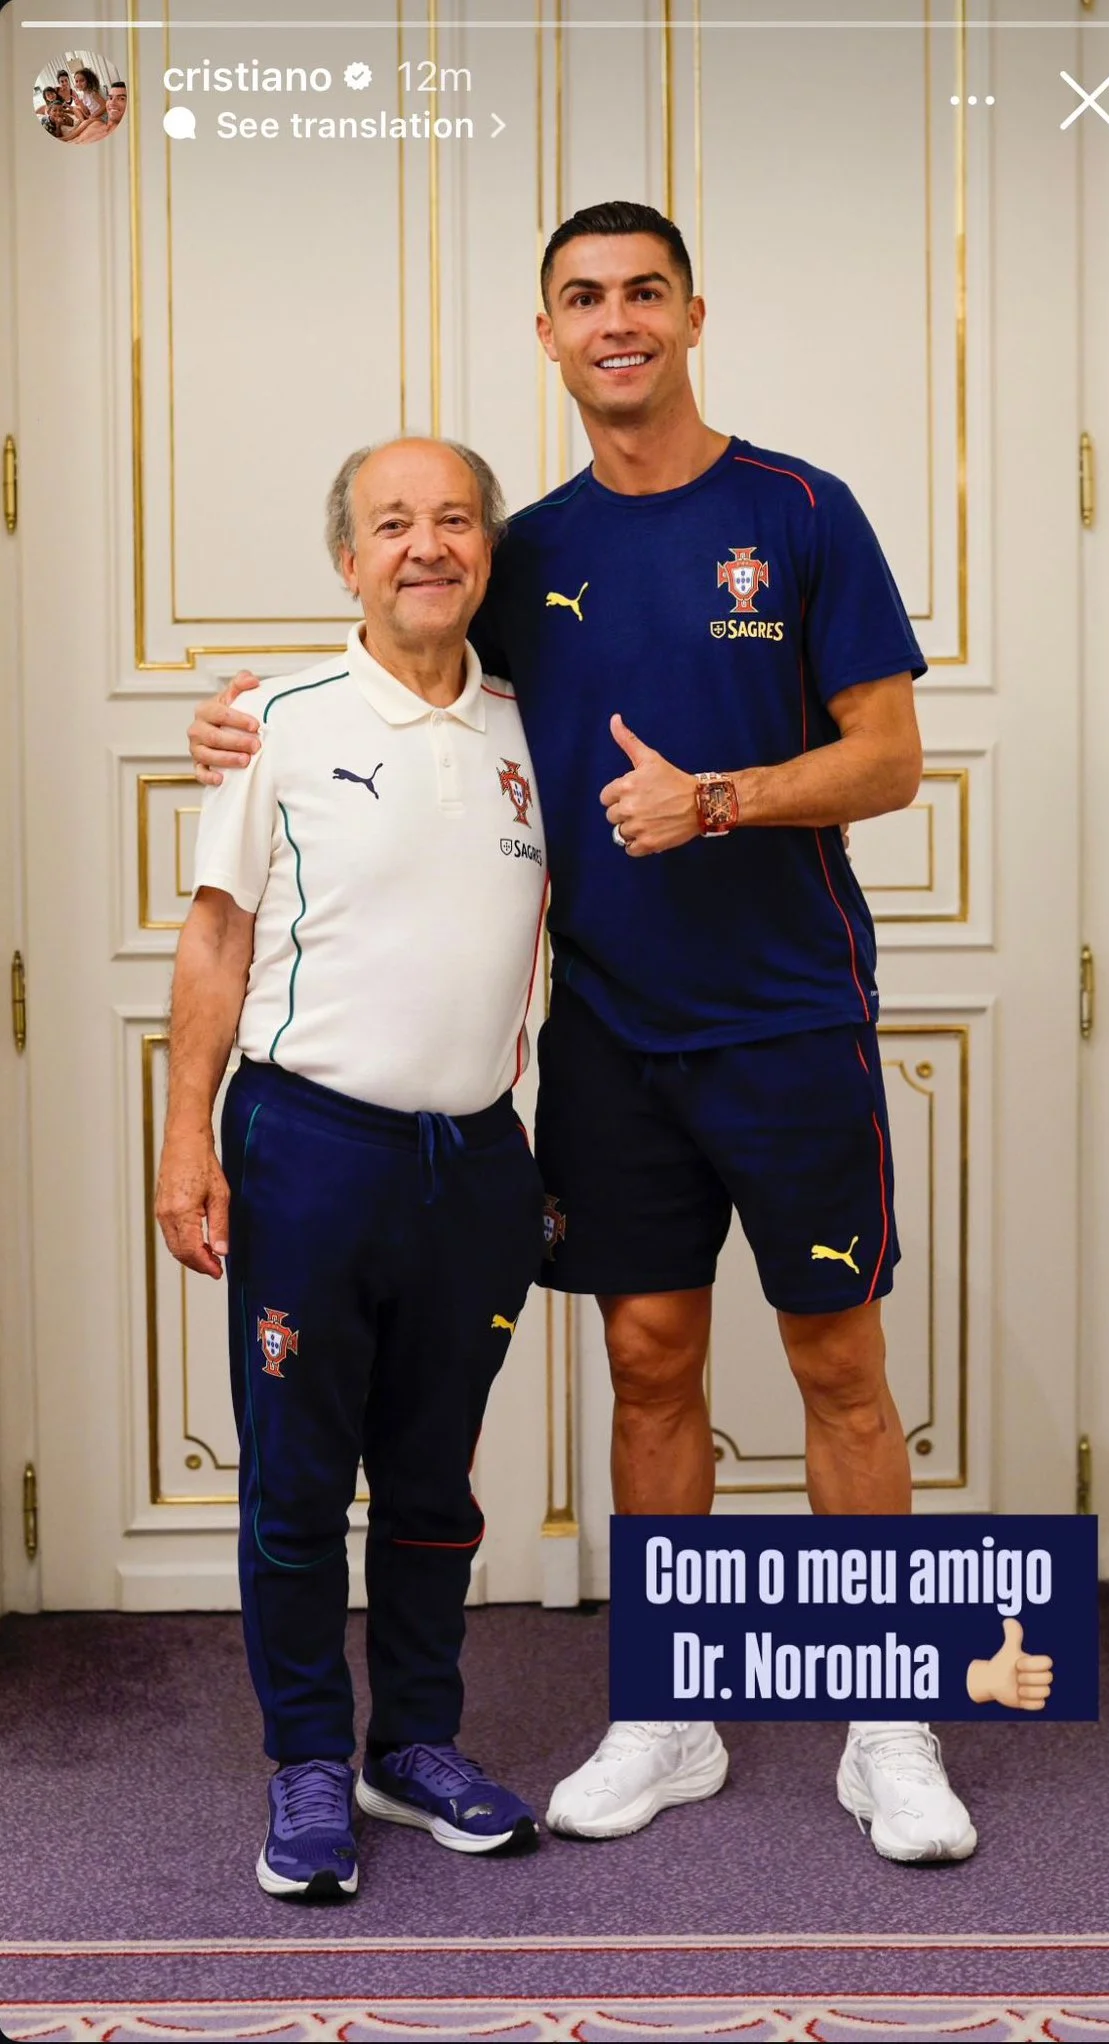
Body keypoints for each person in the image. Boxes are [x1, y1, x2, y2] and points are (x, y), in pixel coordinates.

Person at [189, 200, 977, 1867]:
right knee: (647, 1363)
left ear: (692, 313)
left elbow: (892, 759)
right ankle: (666, 1714)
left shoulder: (802, 513)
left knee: (838, 1363)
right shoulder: (524, 545)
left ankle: (888, 1729)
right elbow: (399, 654)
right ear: (544, 335)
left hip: (788, 1021)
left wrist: (725, 799)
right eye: (579, 299)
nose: (613, 321)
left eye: (641, 293)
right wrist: (247, 711)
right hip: (610, 1044)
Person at [160, 436, 547, 1901]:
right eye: (392, 524)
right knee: (298, 1481)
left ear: (488, 553)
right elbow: (217, 933)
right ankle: (311, 1761)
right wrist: (183, 1131)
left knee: (437, 1479)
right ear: (347, 559)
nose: (425, 547)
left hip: (479, 1162)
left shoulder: (535, 729)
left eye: (453, 521)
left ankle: (418, 1746)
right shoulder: (277, 718)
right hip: (309, 1147)